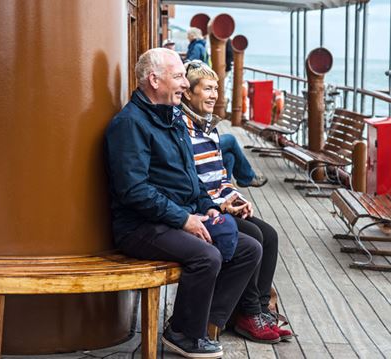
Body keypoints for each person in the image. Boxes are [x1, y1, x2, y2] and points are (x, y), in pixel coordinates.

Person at [104, 48, 262, 358]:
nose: (184, 85)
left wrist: (208, 207)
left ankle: (197, 324)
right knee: (207, 257)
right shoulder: (130, 124)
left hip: (173, 216)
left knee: (249, 248)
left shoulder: (172, 117)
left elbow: (191, 178)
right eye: (178, 77)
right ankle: (184, 334)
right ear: (154, 80)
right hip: (139, 226)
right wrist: (183, 219)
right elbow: (133, 191)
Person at [181, 60, 292, 343]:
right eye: (206, 89)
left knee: (271, 234)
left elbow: (220, 178)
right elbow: (195, 184)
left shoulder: (210, 130)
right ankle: (248, 312)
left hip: (221, 203)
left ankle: (257, 309)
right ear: (187, 93)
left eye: (216, 89)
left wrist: (238, 199)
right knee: (253, 236)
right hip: (201, 208)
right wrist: (221, 206)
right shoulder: (182, 131)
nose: (214, 95)